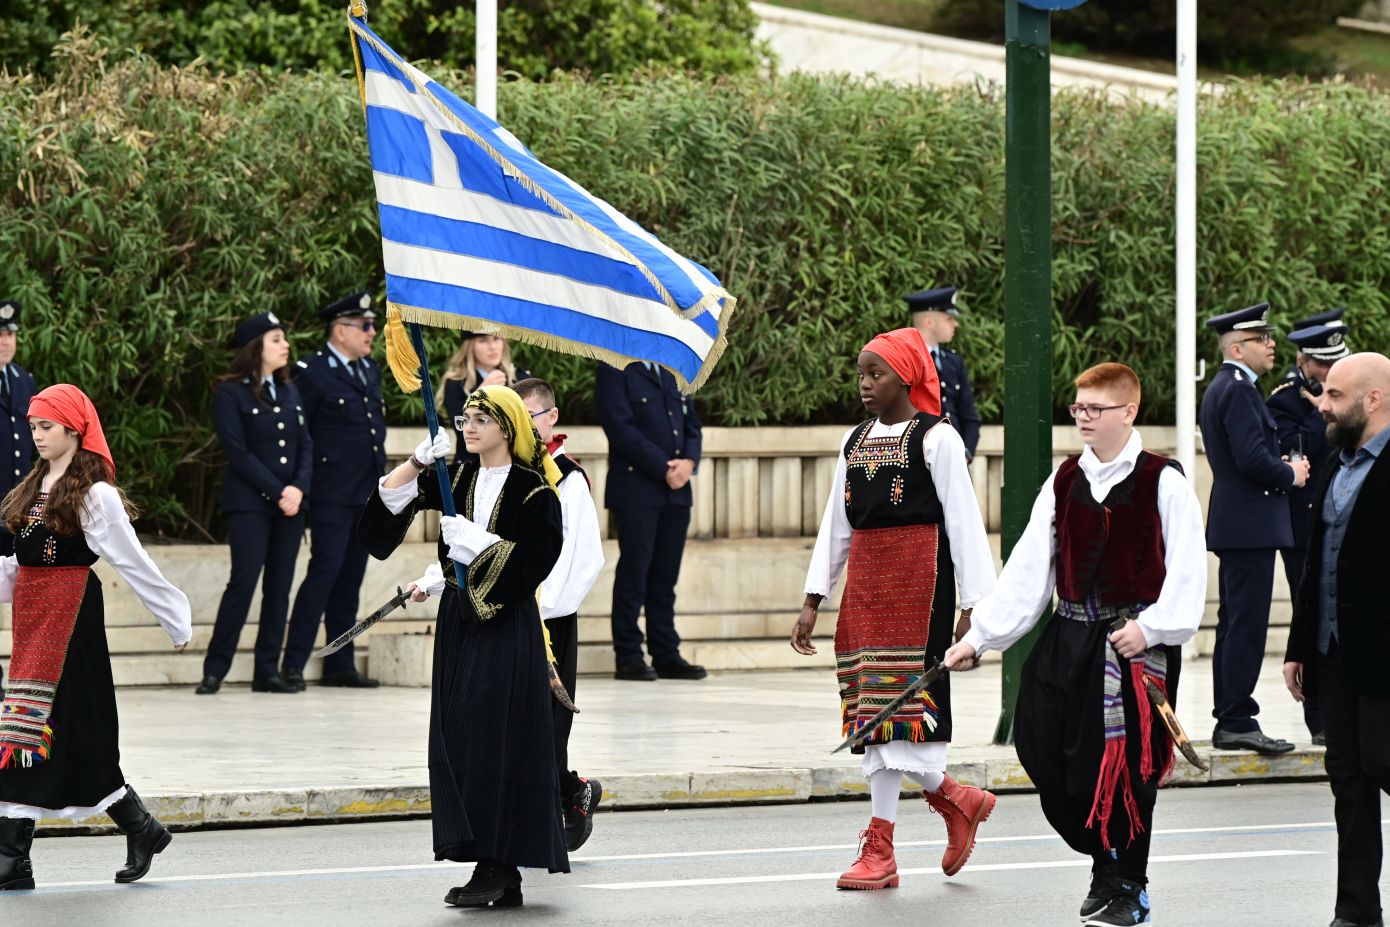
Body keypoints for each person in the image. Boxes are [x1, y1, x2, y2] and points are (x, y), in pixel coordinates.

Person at [945, 362, 1207, 926]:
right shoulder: (1065, 480)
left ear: (1128, 412)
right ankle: (1104, 861)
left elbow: (1188, 574)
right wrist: (981, 637)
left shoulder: (1165, 481)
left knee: (1124, 769)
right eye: (1078, 409)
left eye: (1095, 409)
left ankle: (1128, 883)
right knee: (1040, 746)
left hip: (1133, 644)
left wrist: (1152, 629)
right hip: (1067, 634)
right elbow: (1029, 570)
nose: (1083, 419)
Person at [793, 328, 997, 892]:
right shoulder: (853, 440)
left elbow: (965, 525)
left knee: (905, 713)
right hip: (867, 589)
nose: (864, 384)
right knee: (873, 719)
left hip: (922, 588)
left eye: (875, 373)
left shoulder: (939, 440)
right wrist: (814, 599)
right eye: (860, 373)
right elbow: (837, 524)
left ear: (905, 378)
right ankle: (950, 805)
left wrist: (972, 608)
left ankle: (887, 843)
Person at [358, 384, 567, 907]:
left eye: (481, 419)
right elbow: (386, 510)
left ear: (507, 427)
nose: (468, 427)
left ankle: (500, 864)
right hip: (459, 623)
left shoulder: (534, 489)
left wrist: (479, 545)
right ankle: (486, 858)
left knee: (498, 735)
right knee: (459, 734)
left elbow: (538, 559)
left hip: (505, 627)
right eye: (464, 418)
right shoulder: (457, 475)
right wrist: (414, 461)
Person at [0, 385, 192, 891]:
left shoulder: (95, 494)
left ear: (73, 429)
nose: (37, 435)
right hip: (34, 627)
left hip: (73, 626)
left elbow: (134, 562)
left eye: (46, 426)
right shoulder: (34, 488)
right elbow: (21, 571)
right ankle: (137, 827)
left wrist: (176, 617)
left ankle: (13, 857)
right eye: (33, 426)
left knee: (50, 733)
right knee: (34, 736)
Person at [1283, 352, 1390, 927]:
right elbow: (1315, 564)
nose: (1321, 405)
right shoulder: (1331, 462)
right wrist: (1300, 645)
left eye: (1335, 396)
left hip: (1384, 658)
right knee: (1348, 784)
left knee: (1384, 763)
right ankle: (1356, 913)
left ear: (1373, 400)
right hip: (1332, 654)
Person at [1199, 303, 1309, 755]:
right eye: (1262, 339)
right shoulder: (1239, 389)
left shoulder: (1227, 386)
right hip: (1249, 524)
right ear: (1238, 347)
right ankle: (1237, 719)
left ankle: (1233, 717)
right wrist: (1291, 474)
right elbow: (1249, 457)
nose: (1271, 345)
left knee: (1236, 622)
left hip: (1242, 522)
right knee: (1246, 625)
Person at [197, 312, 313, 695]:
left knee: (279, 588)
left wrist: (298, 488)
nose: (285, 346)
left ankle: (268, 671)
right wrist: (279, 491)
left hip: (290, 505)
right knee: (243, 582)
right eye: (276, 339)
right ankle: (215, 668)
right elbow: (238, 452)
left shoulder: (290, 389)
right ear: (256, 347)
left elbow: (305, 445)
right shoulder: (230, 392)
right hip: (250, 503)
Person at [514, 377, 605, 852]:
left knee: (548, 725)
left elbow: (584, 559)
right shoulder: (504, 469)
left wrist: (541, 609)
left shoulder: (567, 477)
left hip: (548, 617)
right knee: (513, 721)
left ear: (550, 419)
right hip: (508, 609)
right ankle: (562, 794)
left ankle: (562, 801)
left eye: (527, 415)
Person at [281, 291, 386, 690]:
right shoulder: (313, 371)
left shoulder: (368, 369)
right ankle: (294, 663)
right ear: (340, 330)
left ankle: (340, 662)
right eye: (364, 325)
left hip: (364, 492)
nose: (371, 332)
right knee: (323, 573)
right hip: (328, 493)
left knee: (350, 580)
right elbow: (298, 433)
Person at [1267, 310, 1350, 744]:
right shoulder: (1284, 401)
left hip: (1349, 518)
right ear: (1305, 364)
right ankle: (1319, 720)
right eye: (1325, 366)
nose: (1334, 372)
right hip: (1304, 525)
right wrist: (1323, 411)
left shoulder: (1355, 386)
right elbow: (1296, 455)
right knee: (1310, 616)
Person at [595, 361, 705, 681]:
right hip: (636, 489)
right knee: (635, 573)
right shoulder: (614, 367)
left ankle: (665, 652)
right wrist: (664, 467)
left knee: (665, 576)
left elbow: (692, 423)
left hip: (676, 492)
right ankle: (628, 654)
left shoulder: (675, 368)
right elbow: (619, 426)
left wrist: (688, 462)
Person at [0, 299, 37, 700]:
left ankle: (23, 670)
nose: (5, 341)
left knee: (22, 588)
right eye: (0, 334)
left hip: (15, 508)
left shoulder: (24, 381)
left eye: (10, 334)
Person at [907, 286, 980, 462]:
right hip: (918, 462)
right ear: (929, 321)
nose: (955, 324)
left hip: (955, 459)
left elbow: (969, 417)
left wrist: (966, 453)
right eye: (949, 318)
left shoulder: (953, 362)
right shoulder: (906, 360)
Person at [438, 332, 531, 423]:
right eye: (483, 340)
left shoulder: (520, 378)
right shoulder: (455, 383)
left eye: (496, 338)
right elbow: (461, 432)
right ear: (470, 346)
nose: (493, 347)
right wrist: (480, 395)